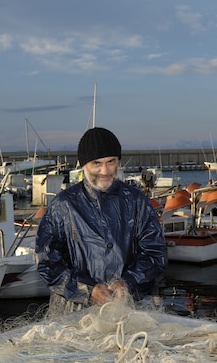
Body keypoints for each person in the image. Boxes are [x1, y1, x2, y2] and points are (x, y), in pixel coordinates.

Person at [35, 127, 167, 316]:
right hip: (72, 312)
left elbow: (155, 254)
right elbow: (47, 262)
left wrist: (127, 283)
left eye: (111, 162)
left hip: (127, 308)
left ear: (118, 162)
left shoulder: (137, 202)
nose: (105, 171)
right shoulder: (63, 205)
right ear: (83, 165)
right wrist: (87, 289)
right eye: (96, 163)